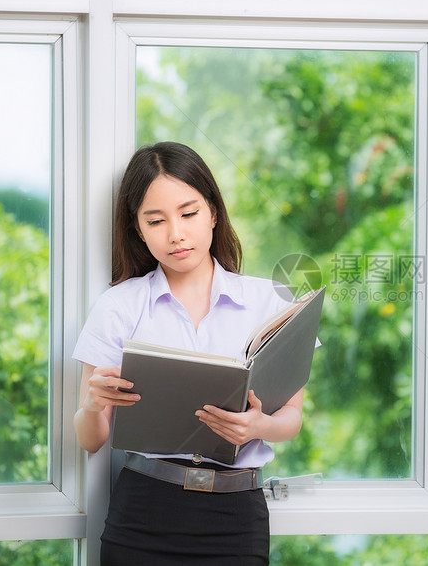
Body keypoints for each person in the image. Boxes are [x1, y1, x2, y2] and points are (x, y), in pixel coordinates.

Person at [73, 141, 305, 565]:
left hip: (236, 518)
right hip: (142, 514)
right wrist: (91, 405)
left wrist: (257, 427)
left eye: (189, 213)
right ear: (138, 229)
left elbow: (292, 417)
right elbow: (91, 440)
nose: (175, 234)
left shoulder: (269, 300)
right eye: (156, 220)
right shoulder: (119, 305)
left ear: (213, 212)